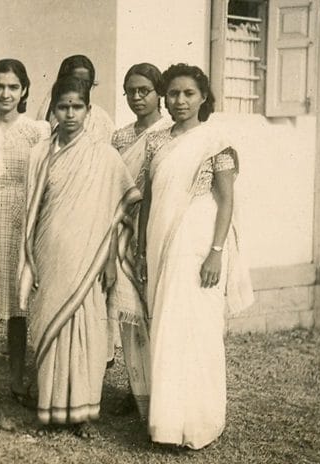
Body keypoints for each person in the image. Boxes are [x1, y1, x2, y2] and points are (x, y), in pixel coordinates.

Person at [136, 63, 254, 449]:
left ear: (203, 97)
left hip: (199, 242)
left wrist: (216, 253)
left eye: (188, 93)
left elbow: (226, 200)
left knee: (197, 329)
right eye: (172, 94)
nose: (179, 101)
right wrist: (140, 250)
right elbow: (148, 202)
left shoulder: (215, 140)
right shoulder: (156, 142)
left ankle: (199, 424)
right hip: (159, 242)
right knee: (166, 326)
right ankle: (167, 425)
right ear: (164, 98)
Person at [20, 76, 140, 438]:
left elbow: (120, 211)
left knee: (87, 330)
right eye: (63, 106)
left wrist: (108, 260)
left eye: (77, 106)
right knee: (48, 326)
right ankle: (50, 409)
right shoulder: (39, 152)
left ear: (89, 110)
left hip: (90, 257)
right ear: (53, 110)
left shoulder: (105, 155)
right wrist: (30, 258)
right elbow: (31, 210)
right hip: (50, 251)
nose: (70, 113)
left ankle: (83, 415)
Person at [0, 59, 50, 408]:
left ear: (24, 91)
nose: (6, 93)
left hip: (23, 218)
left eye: (13, 87)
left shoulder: (37, 130)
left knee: (19, 307)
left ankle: (18, 381)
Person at [109, 63, 172, 420]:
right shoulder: (119, 137)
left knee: (155, 311)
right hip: (125, 230)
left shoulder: (169, 133)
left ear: (158, 92)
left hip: (159, 227)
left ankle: (162, 390)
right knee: (129, 312)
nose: (136, 97)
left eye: (143, 90)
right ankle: (138, 391)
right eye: (130, 91)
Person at [35, 55, 115, 144]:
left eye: (86, 83)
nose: (80, 86)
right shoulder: (49, 113)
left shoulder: (102, 119)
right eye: (75, 80)